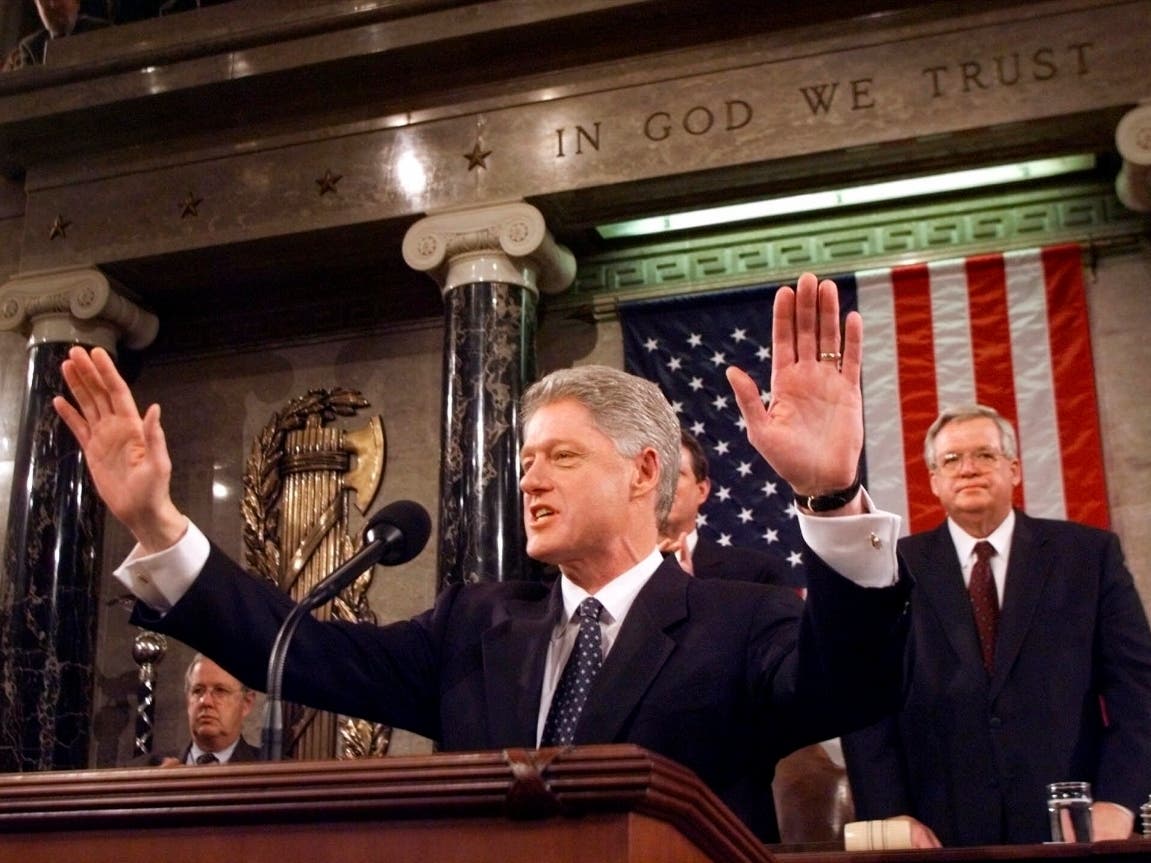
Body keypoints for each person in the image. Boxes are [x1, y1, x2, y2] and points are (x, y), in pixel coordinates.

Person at [54, 273, 911, 842]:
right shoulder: (477, 625)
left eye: (561, 457)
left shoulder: (739, 616)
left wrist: (830, 496)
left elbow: (855, 681)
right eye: (525, 461)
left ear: (644, 470)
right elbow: (301, 649)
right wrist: (158, 521)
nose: (530, 480)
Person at [842, 404, 1151, 847]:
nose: (968, 469)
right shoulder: (892, 569)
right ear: (933, 481)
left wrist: (1118, 802)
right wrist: (891, 816)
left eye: (985, 455)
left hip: (1073, 828)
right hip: (937, 832)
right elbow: (866, 709)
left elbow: (1138, 694)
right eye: (951, 460)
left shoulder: (1088, 556)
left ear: (1014, 468)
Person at [660, 428, 796, 586]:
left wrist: (688, 591)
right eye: (652, 474)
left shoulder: (754, 574)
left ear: (702, 490)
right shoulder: (624, 572)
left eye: (675, 474)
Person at [150, 653, 262, 766]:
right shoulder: (146, 770)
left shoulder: (269, 767)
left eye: (220, 690)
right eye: (197, 691)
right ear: (188, 701)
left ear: (246, 703)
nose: (205, 701)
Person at [3, 0, 110, 71]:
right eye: (44, 1)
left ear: (77, 3)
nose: (53, 5)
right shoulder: (30, 47)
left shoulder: (101, 32)